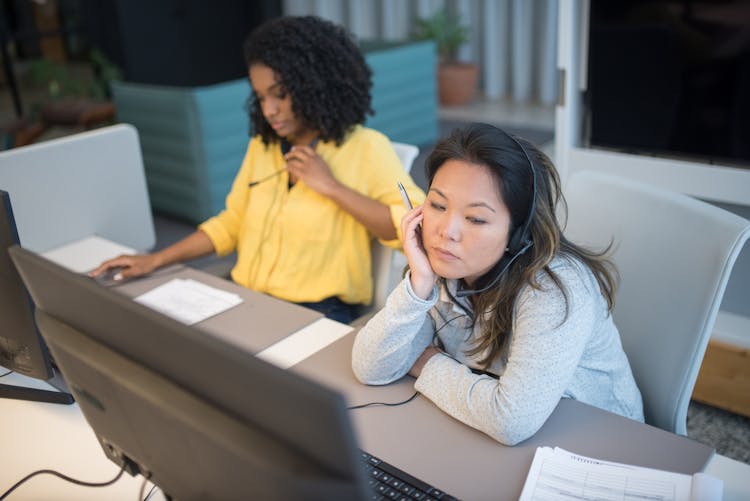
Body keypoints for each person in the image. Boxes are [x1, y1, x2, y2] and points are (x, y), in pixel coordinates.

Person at [92, 16, 424, 324]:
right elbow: (231, 224)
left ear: (315, 85)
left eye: (279, 95)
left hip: (316, 312)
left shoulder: (366, 147)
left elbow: (415, 226)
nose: (269, 110)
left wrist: (331, 187)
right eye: (261, 97)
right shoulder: (263, 147)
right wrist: (156, 260)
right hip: (245, 297)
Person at [352, 123, 644, 445]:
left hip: (602, 443)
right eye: (437, 205)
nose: (446, 231)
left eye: (476, 219)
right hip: (514, 439)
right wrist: (418, 285)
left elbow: (509, 421)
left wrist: (429, 363)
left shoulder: (555, 290)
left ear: (517, 233)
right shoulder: (443, 269)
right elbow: (371, 367)